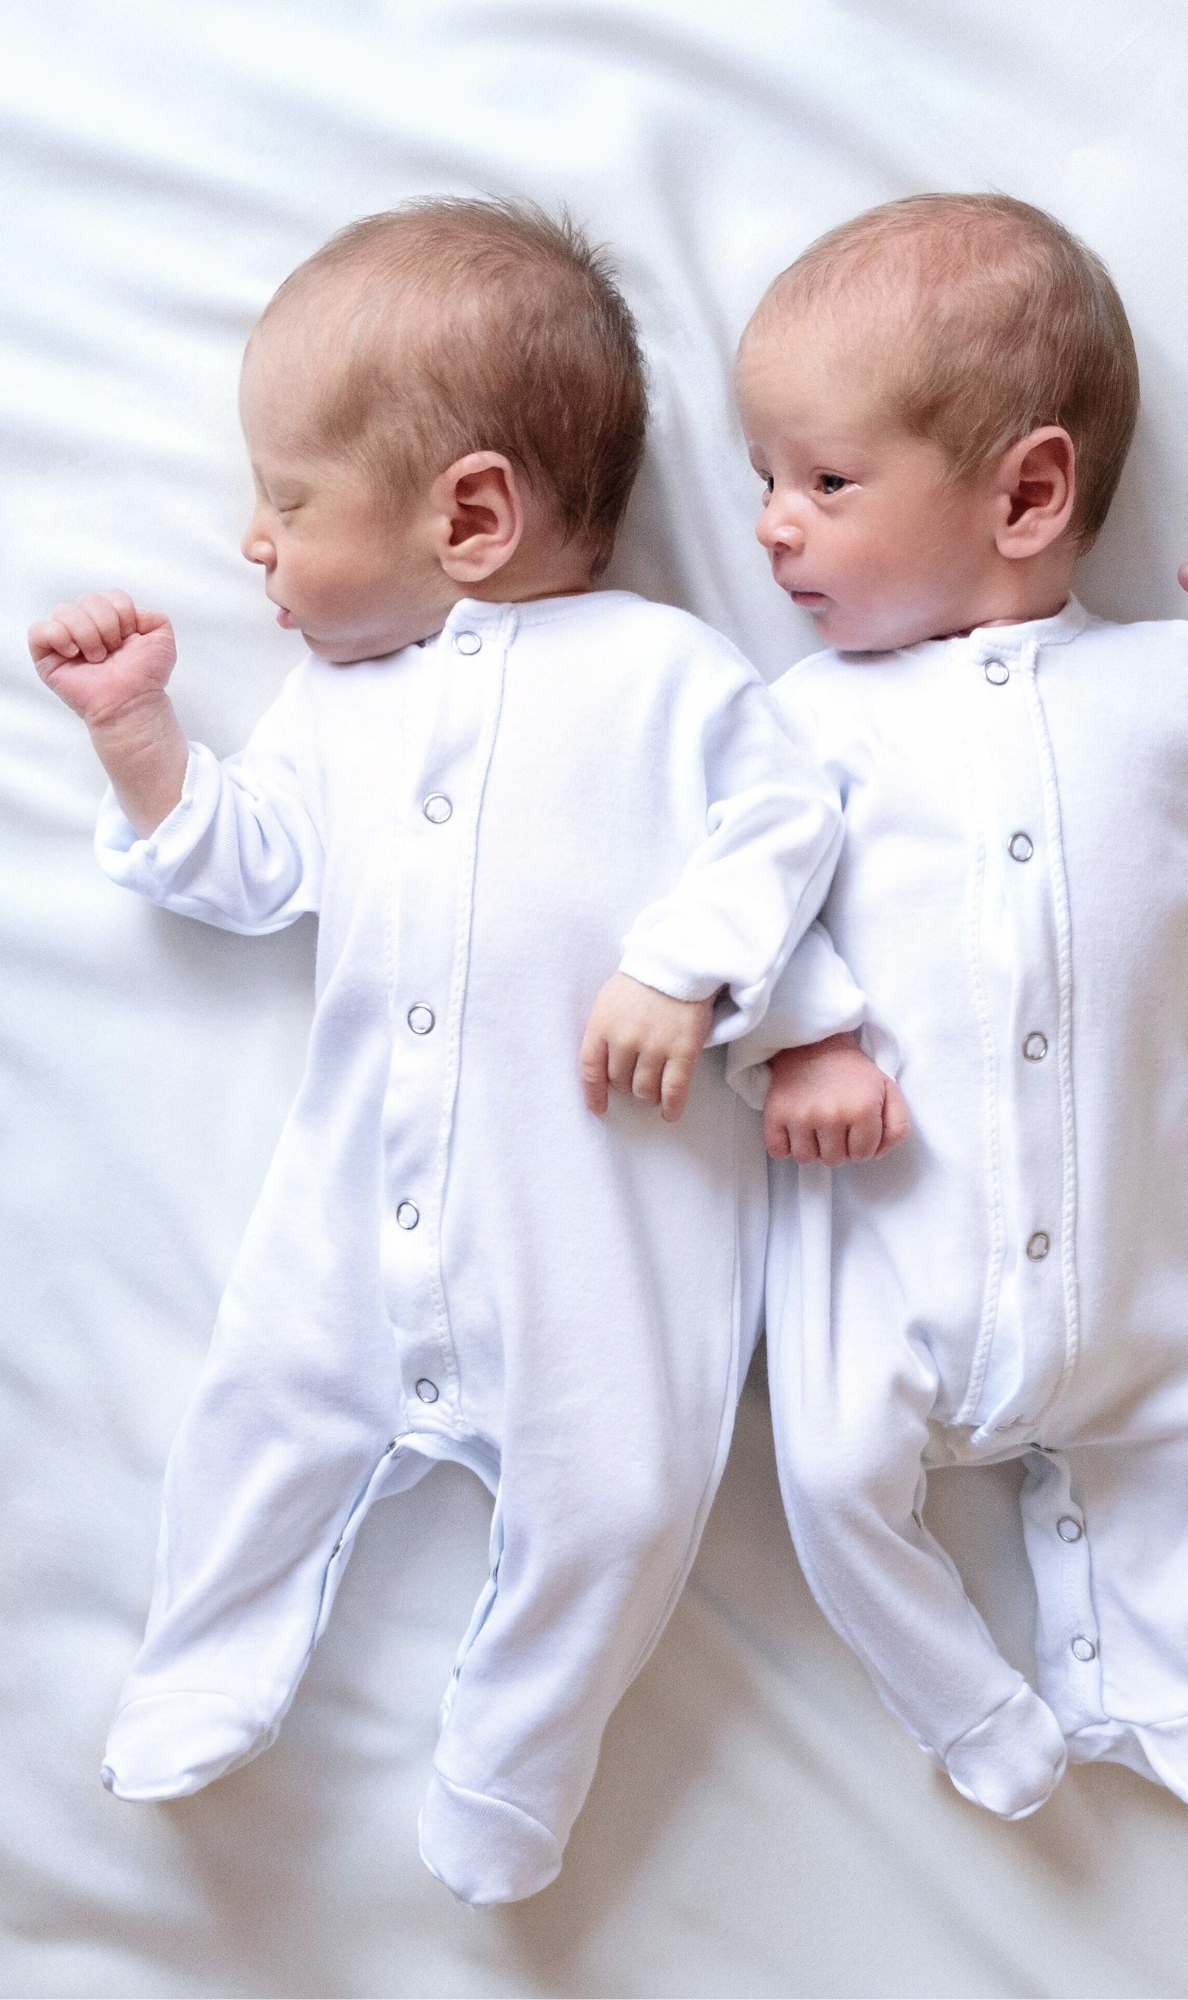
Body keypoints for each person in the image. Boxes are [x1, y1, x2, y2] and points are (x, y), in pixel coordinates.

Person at [28, 197, 844, 1905]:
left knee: (618, 1504)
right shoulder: (339, 707)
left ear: (469, 516)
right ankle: (196, 1676)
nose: (251, 545)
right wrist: (143, 743)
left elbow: (787, 826)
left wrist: (682, 967)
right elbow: (248, 871)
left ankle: (512, 1770)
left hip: (593, 1246)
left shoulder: (666, 678)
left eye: (288, 501)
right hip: (351, 1216)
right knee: (261, 1418)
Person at [727, 192, 1188, 1824]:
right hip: (886, 1237)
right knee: (828, 1468)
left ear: (1026, 493)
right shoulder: (801, 723)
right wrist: (801, 1034)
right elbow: (722, 894)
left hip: (1125, 1250)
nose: (770, 528)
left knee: (1179, 1430)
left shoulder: (1166, 694)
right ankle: (968, 1708)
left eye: (822, 481)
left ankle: (1162, 1690)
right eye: (760, 481)